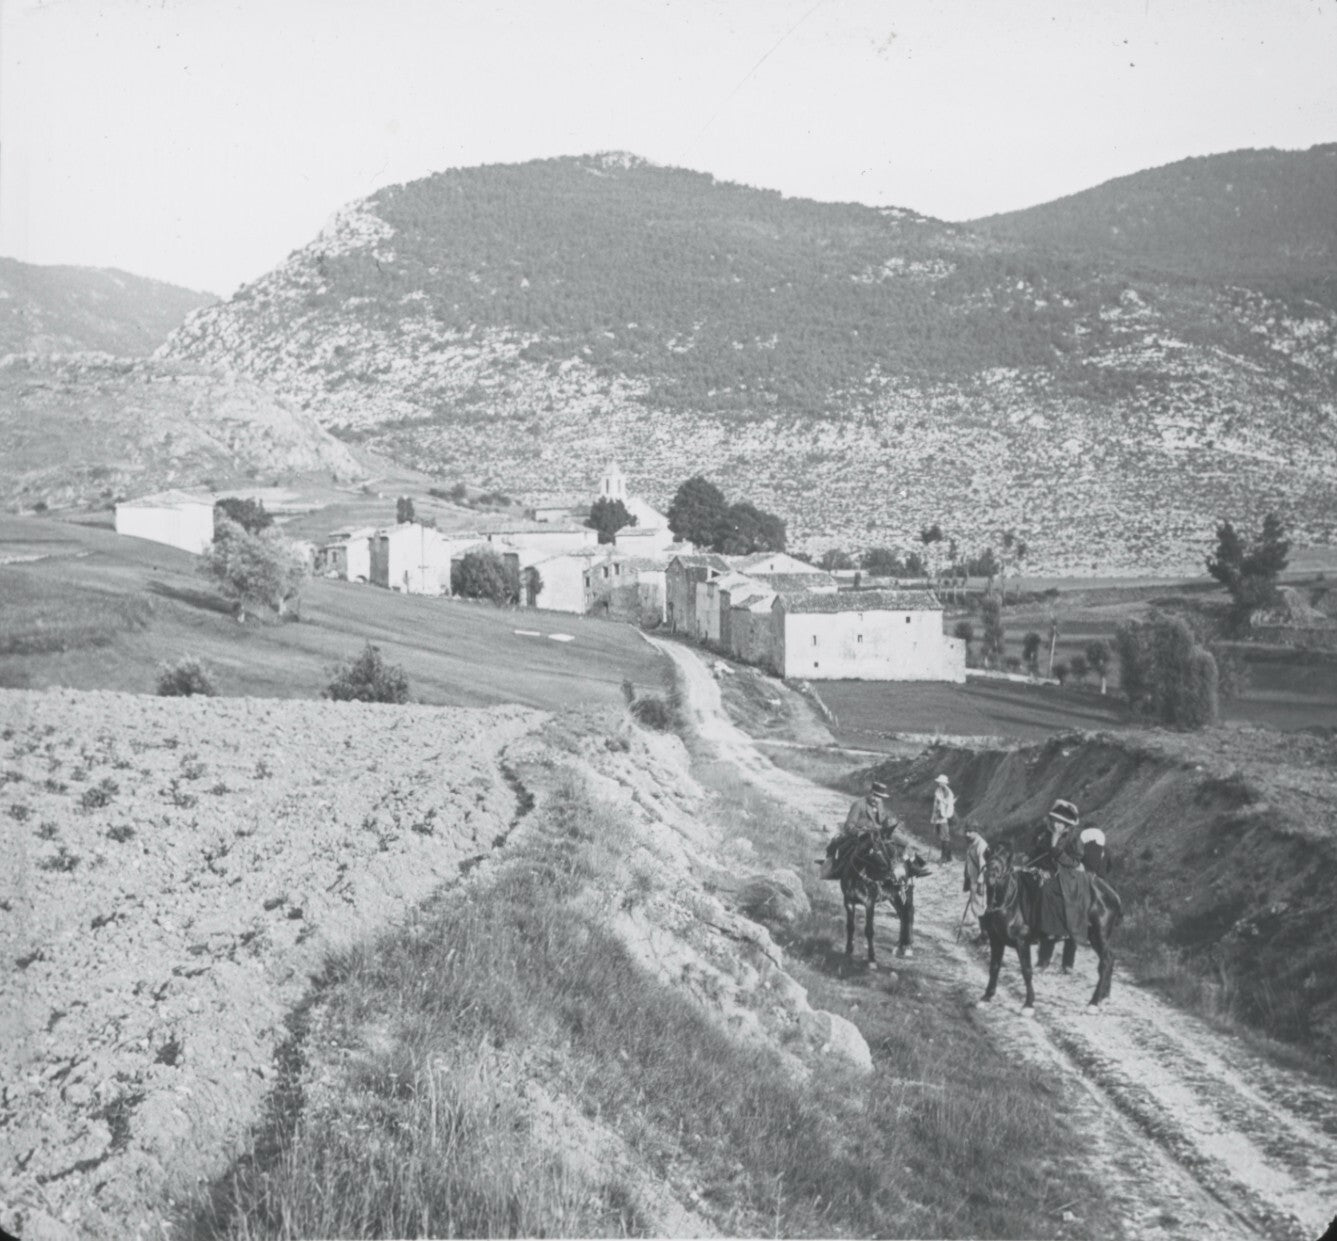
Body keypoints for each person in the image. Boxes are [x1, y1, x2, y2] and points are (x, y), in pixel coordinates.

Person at [825, 780, 905, 877]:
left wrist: (890, 823)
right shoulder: (859, 804)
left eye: (880, 797)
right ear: (870, 792)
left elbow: (883, 819)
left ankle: (905, 868)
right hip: (863, 836)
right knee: (859, 854)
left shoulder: (879, 804)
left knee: (898, 845)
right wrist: (862, 832)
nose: (877, 799)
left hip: (878, 835)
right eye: (875, 795)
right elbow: (849, 825)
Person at [962, 826, 990, 944]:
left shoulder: (981, 845)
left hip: (980, 882)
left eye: (970, 832)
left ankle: (985, 935)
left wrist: (980, 883)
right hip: (973, 879)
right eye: (966, 831)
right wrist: (966, 877)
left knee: (981, 908)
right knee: (977, 907)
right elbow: (969, 861)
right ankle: (984, 933)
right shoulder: (973, 843)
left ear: (976, 832)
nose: (967, 834)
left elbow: (984, 867)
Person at [931, 774, 956, 863]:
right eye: (939, 782)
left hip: (944, 817)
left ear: (944, 783)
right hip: (937, 816)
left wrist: (944, 814)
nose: (939, 783)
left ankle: (944, 858)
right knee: (942, 836)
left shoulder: (948, 792)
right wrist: (934, 816)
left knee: (945, 837)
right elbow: (935, 804)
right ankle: (948, 857)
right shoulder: (938, 790)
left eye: (941, 782)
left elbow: (949, 806)